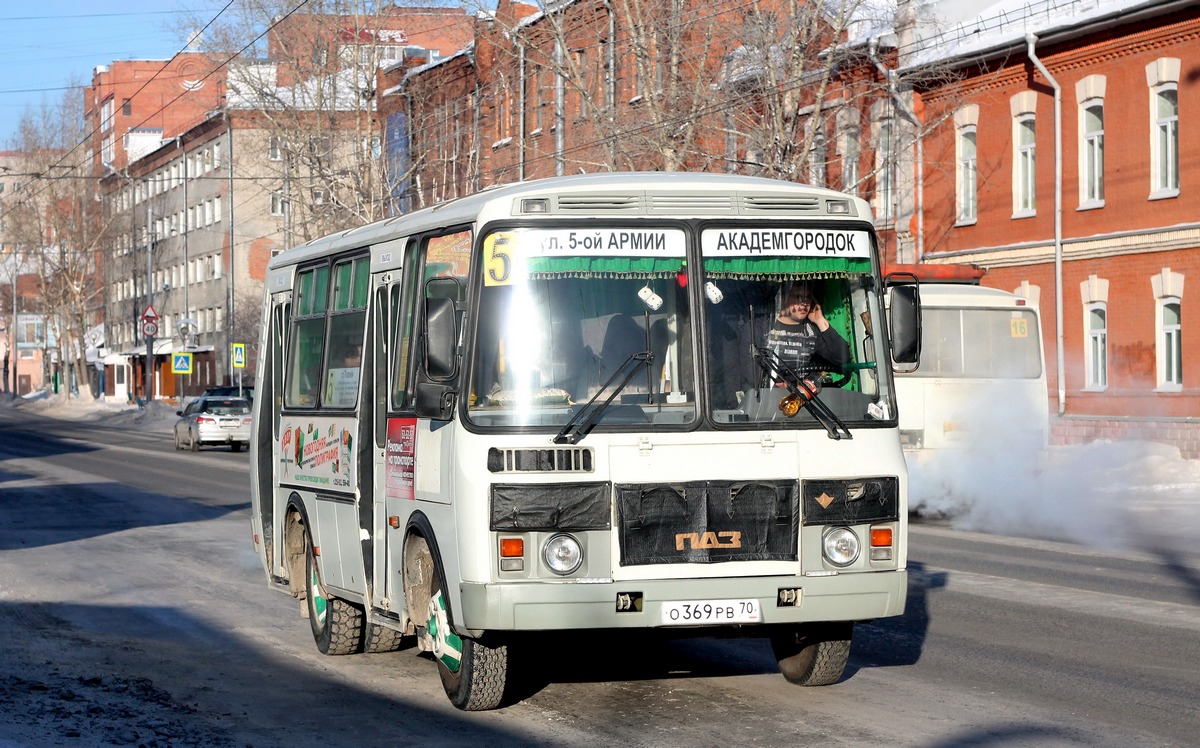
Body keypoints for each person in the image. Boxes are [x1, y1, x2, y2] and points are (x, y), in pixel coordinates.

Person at [764, 282, 850, 383]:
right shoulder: (764, 327)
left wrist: (820, 321)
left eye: (807, 297)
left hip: (802, 394)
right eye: (797, 297)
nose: (804, 303)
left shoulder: (811, 332)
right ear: (782, 298)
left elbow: (842, 358)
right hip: (769, 395)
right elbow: (749, 369)